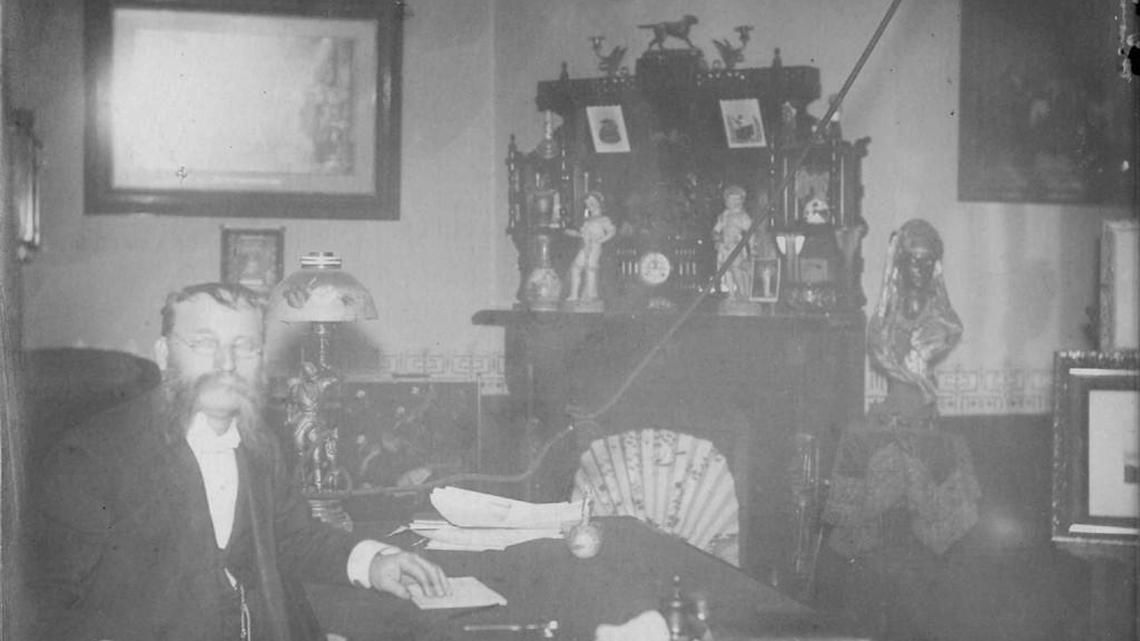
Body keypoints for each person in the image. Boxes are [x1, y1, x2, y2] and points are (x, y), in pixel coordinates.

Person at [26, 282, 450, 641]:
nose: (226, 364)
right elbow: (45, 600)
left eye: (244, 347)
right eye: (205, 344)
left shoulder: (260, 443)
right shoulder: (91, 456)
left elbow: (292, 539)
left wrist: (374, 564)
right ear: (162, 354)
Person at [823, 219, 978, 560]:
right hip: (892, 409)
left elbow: (944, 336)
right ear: (901, 264)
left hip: (920, 412)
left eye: (927, 260)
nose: (919, 268)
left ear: (936, 265)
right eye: (912, 260)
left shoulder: (943, 323)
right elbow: (878, 340)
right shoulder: (886, 317)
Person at [564, 191, 616, 303]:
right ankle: (574, 294)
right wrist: (574, 233)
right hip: (585, 246)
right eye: (587, 204)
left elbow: (612, 232)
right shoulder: (588, 220)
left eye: (592, 203)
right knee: (576, 268)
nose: (589, 206)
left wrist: (600, 241)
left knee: (590, 269)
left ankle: (591, 295)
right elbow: (582, 234)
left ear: (599, 203)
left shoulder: (603, 219)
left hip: (594, 247)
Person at [712, 185, 753, 299]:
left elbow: (751, 232)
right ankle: (731, 294)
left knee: (737, 269)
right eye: (731, 199)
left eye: (737, 199)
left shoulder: (743, 216)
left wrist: (751, 248)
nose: (734, 202)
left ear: (741, 201)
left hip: (737, 247)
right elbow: (716, 230)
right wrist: (718, 241)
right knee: (727, 271)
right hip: (725, 247)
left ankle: (743, 291)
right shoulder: (724, 216)